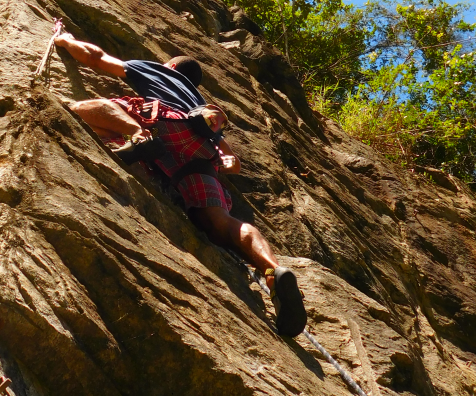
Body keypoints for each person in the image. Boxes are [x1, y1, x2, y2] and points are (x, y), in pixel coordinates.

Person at [54, 29, 308, 337]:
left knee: (78, 109)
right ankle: (272, 270)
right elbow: (232, 161)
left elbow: (95, 58)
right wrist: (227, 164)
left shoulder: (158, 70)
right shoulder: (201, 103)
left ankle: (136, 134)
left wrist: (65, 39)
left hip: (164, 124)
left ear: (171, 66)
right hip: (201, 155)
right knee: (221, 222)